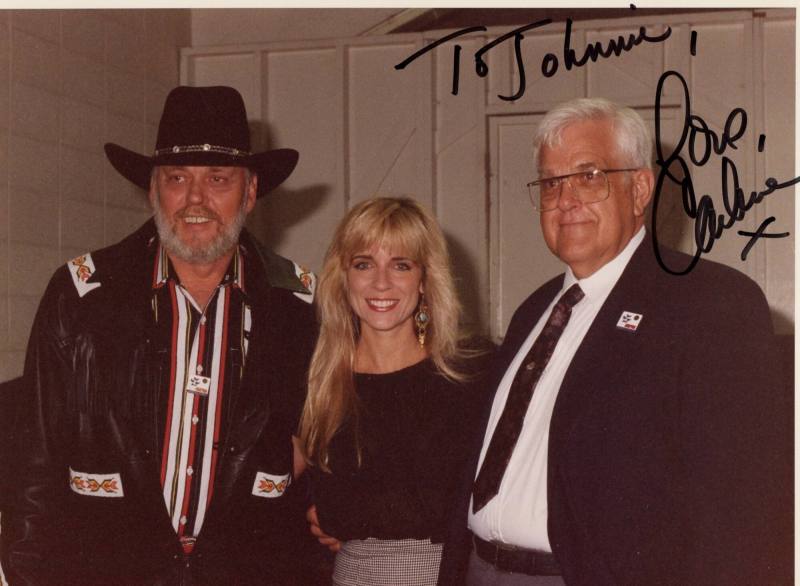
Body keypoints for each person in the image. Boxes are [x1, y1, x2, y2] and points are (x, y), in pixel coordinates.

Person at [438, 98, 788, 585]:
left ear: (640, 188)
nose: (566, 199)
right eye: (551, 182)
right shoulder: (533, 312)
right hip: (479, 569)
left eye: (589, 176)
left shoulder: (709, 302)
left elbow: (741, 505)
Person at [0, 86, 319, 585]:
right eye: (176, 179)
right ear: (152, 191)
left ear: (250, 191)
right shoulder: (82, 297)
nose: (196, 199)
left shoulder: (296, 306)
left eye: (218, 179)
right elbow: (31, 464)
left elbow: (327, 444)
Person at [299, 197, 488, 586]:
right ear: (343, 276)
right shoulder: (317, 381)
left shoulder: (474, 376)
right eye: (363, 264)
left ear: (424, 279)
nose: (380, 282)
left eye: (401, 265)